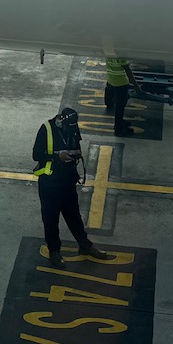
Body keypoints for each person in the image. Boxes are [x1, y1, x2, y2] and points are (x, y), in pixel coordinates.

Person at [32, 106, 98, 266]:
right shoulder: (46, 129)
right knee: (50, 218)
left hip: (67, 179)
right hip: (50, 182)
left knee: (74, 215)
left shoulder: (72, 128)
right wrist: (57, 156)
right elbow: (36, 154)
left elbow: (77, 144)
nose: (72, 130)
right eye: (69, 127)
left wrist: (75, 153)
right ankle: (54, 251)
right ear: (61, 120)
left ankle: (84, 245)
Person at [104, 57, 133, 136]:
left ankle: (120, 121)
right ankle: (118, 128)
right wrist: (136, 86)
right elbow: (128, 70)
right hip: (121, 82)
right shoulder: (121, 55)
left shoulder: (108, 53)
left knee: (112, 95)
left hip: (111, 79)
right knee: (120, 105)